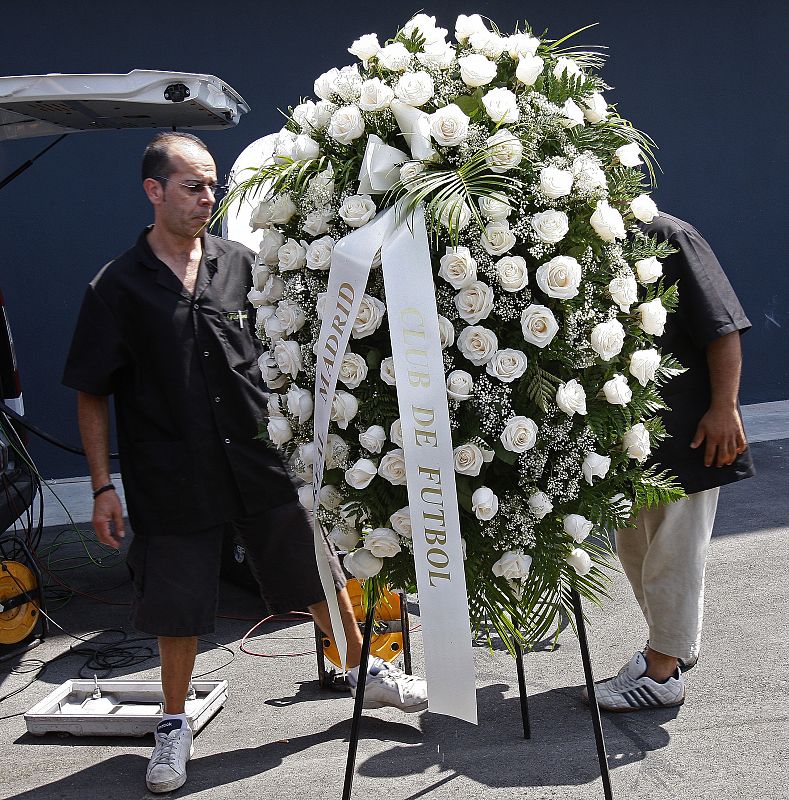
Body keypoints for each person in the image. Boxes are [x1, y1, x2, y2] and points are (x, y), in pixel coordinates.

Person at [62, 132, 427, 794]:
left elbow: (285, 348)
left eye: (212, 185)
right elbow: (92, 392)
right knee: (175, 609)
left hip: (260, 460)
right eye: (193, 186)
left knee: (313, 571)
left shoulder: (241, 263)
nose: (209, 198)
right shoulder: (117, 287)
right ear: (154, 191)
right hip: (171, 475)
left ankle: (363, 674)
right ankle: (172, 728)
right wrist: (100, 487)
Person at [586, 212, 755, 712]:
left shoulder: (667, 235)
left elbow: (722, 328)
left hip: (690, 431)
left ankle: (663, 673)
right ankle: (671, 648)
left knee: (673, 555)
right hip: (630, 440)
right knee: (636, 551)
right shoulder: (590, 236)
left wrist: (724, 408)